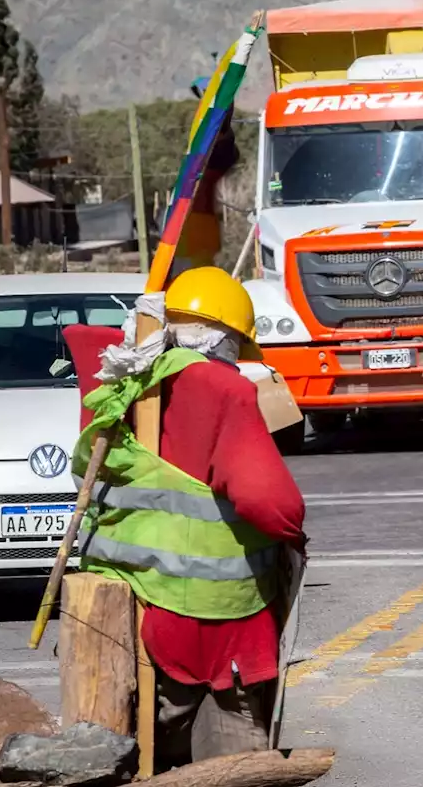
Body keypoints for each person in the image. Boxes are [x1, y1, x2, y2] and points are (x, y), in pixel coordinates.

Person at [65, 266, 307, 769]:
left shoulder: (118, 379)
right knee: (229, 751)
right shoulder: (223, 390)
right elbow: (271, 502)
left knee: (131, 743)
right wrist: (292, 531)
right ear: (224, 337)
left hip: (121, 605)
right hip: (212, 618)